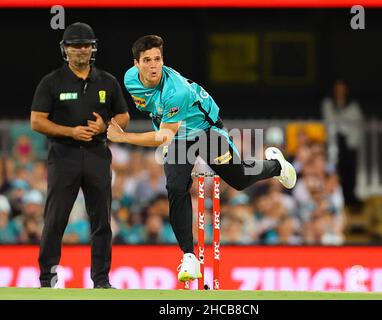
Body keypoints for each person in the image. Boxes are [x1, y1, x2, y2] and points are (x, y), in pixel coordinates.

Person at [106, 35, 296, 284]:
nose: (154, 65)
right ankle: (188, 256)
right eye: (147, 60)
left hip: (206, 131)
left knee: (238, 179)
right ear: (136, 63)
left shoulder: (177, 91)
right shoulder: (130, 79)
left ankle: (276, 165)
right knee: (175, 186)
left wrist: (123, 138)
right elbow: (156, 113)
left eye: (158, 59)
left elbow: (163, 134)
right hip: (177, 138)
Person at [30, 22, 130, 289]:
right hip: (64, 156)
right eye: (75, 46)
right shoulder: (52, 82)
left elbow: (124, 115)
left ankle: (101, 280)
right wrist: (70, 132)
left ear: (93, 48)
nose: (81, 50)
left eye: (85, 45)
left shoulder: (107, 81)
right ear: (65, 50)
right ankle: (47, 278)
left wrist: (106, 125)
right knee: (55, 218)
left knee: (101, 221)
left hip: (98, 154)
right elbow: (37, 121)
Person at [321, 79, 363, 207]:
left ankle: (350, 196)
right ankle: (337, 197)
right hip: (335, 143)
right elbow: (330, 119)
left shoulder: (352, 104)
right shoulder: (328, 103)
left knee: (350, 170)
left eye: (342, 88)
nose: (340, 91)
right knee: (336, 170)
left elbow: (356, 119)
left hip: (349, 143)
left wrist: (341, 120)